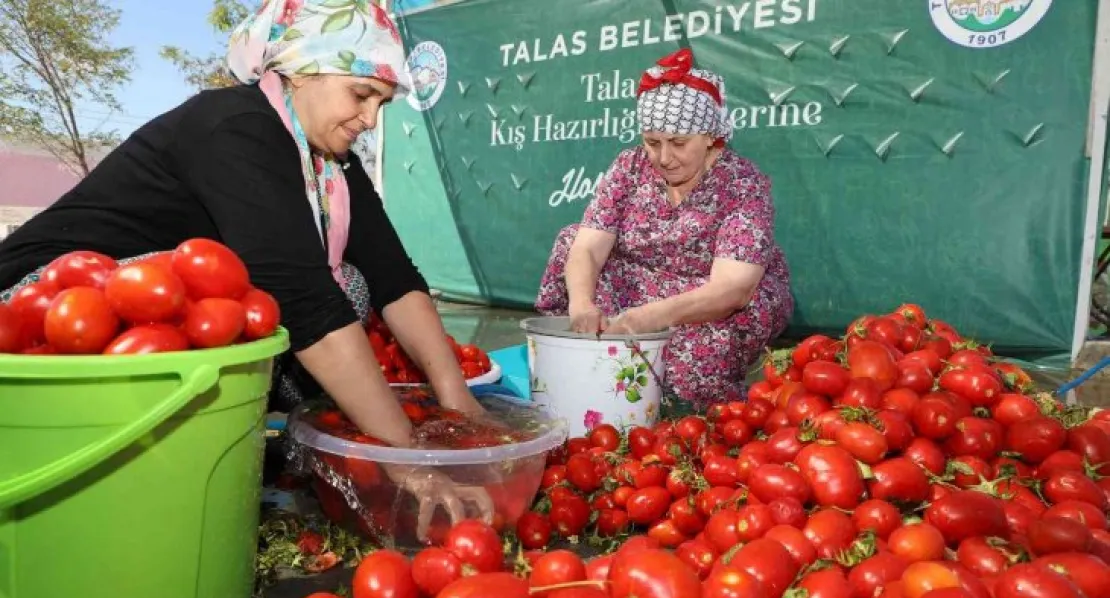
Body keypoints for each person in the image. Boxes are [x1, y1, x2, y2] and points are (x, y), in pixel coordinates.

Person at [0, 0, 491, 535]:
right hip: (43, 303)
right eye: (362, 94)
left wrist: (456, 399)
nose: (371, 119)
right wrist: (406, 461)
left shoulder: (329, 163)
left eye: (382, 103)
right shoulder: (236, 128)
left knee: (349, 284)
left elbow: (394, 277)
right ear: (302, 72)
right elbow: (304, 304)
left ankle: (271, 454)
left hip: (148, 319)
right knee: (314, 295)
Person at [536, 48, 795, 409]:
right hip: (640, 286)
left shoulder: (743, 184)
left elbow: (732, 288)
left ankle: (692, 388)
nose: (663, 157)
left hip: (706, 300)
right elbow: (588, 247)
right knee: (570, 240)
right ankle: (595, 356)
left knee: (686, 383)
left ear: (710, 136)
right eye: (652, 142)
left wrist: (651, 317)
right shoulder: (629, 166)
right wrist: (582, 304)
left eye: (678, 143)